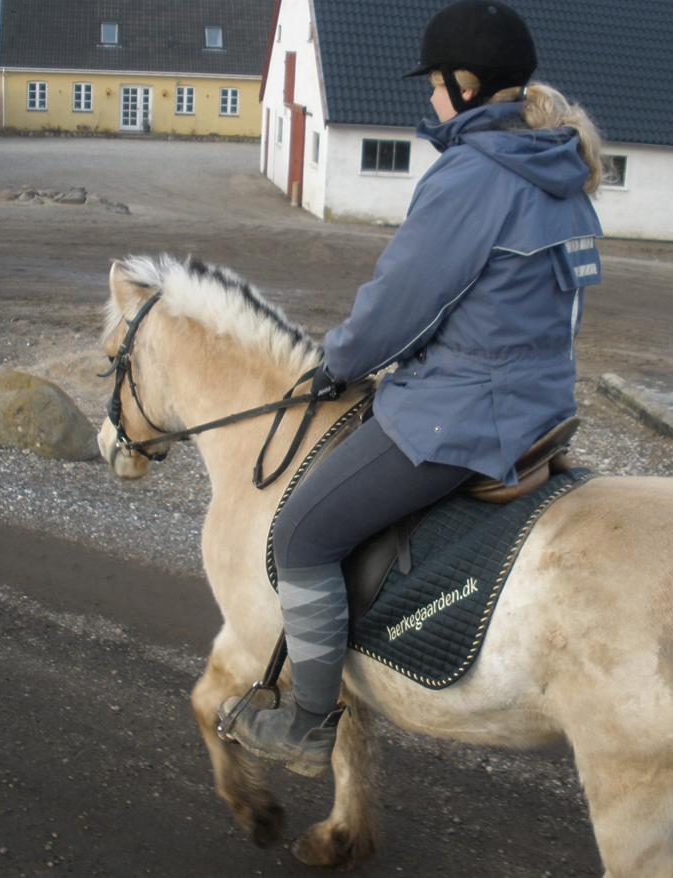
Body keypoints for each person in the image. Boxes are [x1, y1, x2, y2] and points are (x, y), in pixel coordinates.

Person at [219, 0, 604, 776]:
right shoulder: (562, 172)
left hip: (463, 417)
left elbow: (402, 302)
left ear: (466, 84)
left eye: (434, 83)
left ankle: (308, 725)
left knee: (301, 535)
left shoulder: (473, 174)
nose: (429, 96)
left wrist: (337, 364)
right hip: (543, 406)